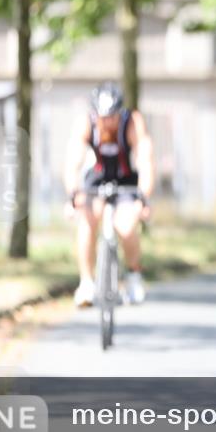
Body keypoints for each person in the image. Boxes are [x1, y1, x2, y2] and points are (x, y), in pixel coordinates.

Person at [64, 82, 154, 307]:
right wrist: (72, 194)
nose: (107, 122)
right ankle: (86, 283)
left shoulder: (133, 122)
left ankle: (133, 277)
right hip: (96, 178)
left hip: (126, 180)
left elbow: (146, 160)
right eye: (103, 117)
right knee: (87, 221)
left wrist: (143, 197)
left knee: (126, 226)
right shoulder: (85, 123)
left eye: (112, 117)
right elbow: (72, 161)